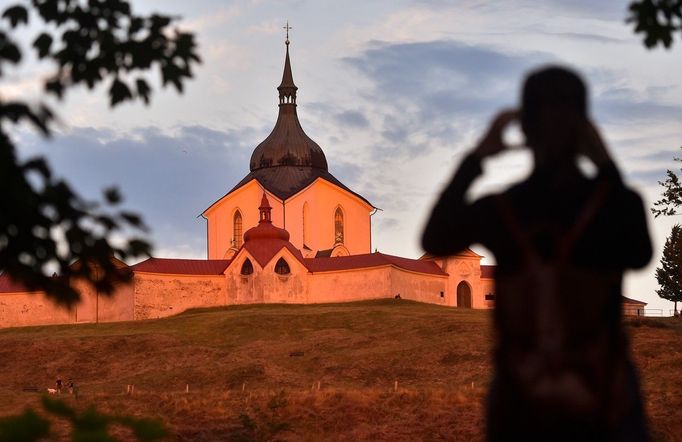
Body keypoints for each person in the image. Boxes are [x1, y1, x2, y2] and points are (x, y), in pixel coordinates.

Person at [422, 66, 652, 441]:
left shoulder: (502, 209)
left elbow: (436, 235)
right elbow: (640, 251)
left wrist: (479, 156)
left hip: (521, 398)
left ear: (524, 130)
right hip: (604, 394)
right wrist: (605, 161)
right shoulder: (613, 205)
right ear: (583, 130)